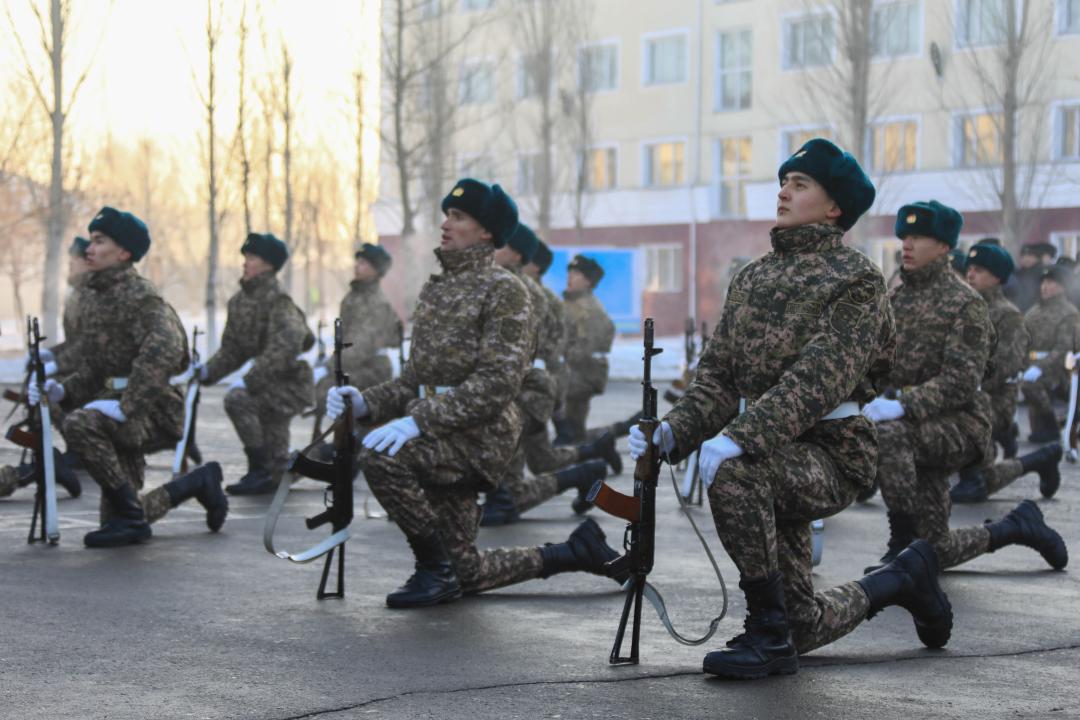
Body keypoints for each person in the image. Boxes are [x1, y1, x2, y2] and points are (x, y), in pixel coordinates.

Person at [631, 138, 949, 680]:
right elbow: (717, 380)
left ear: (833, 207)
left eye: (800, 184)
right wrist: (671, 433)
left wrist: (742, 436)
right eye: (783, 181)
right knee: (804, 620)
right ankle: (901, 578)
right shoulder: (753, 278)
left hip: (830, 450)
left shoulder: (856, 279)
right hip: (773, 450)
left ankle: (767, 634)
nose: (783, 191)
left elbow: (823, 375)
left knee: (734, 473)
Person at [326, 178, 625, 608]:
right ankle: (574, 552)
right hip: (440, 431)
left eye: (459, 216)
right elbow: (414, 379)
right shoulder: (438, 288)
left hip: (478, 436)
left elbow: (497, 383)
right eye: (447, 213)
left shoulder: (506, 290)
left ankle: (433, 568)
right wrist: (366, 400)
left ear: (487, 231)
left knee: (382, 457)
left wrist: (417, 421)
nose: (446, 223)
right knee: (467, 571)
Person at [862, 200, 1067, 578]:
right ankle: (1016, 527)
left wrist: (902, 404)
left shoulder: (965, 304)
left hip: (960, 424)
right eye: (904, 236)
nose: (907, 244)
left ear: (943, 246)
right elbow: (876, 366)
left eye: (919, 236)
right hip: (918, 425)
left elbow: (961, 381)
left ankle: (900, 544)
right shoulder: (894, 300)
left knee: (889, 435)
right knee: (935, 548)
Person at [31, 207, 226, 547]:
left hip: (153, 409)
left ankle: (133, 520)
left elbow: (168, 347)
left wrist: (127, 405)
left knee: (79, 424)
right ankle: (196, 483)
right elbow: (96, 365)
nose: (89, 249)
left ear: (123, 252)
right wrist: (61, 390)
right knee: (116, 517)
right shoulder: (95, 296)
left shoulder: (140, 296)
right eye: (90, 240)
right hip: (119, 407)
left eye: (99, 241)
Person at [480, 224, 613, 526]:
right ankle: (589, 463)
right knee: (541, 460)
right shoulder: (518, 287)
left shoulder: (525, 292)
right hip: (534, 387)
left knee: (511, 491)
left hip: (527, 390)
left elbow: (534, 348)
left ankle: (505, 497)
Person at [197, 233, 316, 495]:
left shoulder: (278, 298)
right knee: (279, 469)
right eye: (246, 257)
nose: (245, 263)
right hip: (267, 383)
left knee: (238, 398)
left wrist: (250, 379)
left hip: (288, 383)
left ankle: (258, 470)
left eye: (252, 258)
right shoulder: (239, 302)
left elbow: (289, 342)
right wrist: (206, 372)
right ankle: (324, 456)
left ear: (269, 265)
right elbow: (232, 350)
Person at [951, 244, 1061, 503]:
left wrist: (961, 384)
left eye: (979, 270)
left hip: (994, 400)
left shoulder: (1007, 315)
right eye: (970, 269)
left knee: (977, 485)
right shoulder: (964, 308)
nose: (970, 274)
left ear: (997, 277)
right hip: (963, 393)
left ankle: (1036, 460)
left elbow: (1005, 366)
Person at [313, 243, 400, 424]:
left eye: (363, 263)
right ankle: (340, 439)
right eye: (357, 262)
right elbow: (345, 339)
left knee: (329, 388)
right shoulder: (353, 297)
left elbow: (361, 346)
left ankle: (348, 440)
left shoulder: (377, 302)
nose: (357, 266)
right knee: (325, 390)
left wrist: (329, 367)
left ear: (376, 270)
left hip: (372, 369)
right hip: (353, 364)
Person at [555, 255, 615, 444]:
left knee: (573, 428)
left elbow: (588, 346)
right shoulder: (569, 304)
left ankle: (593, 455)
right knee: (568, 426)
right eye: (569, 273)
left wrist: (558, 357)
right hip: (571, 373)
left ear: (588, 281)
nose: (569, 277)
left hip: (581, 376)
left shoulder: (589, 309)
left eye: (576, 274)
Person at [1018, 265, 1080, 443]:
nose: (1044, 286)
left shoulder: (1068, 313)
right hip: (1032, 365)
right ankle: (1043, 428)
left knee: (1031, 385)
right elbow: (1023, 340)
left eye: (1051, 282)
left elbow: (1063, 349)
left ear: (1062, 287)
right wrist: (1021, 364)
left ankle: (1052, 427)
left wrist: (1039, 368)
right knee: (1027, 384)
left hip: (1059, 369)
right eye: (1043, 282)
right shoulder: (1034, 311)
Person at [1006, 242, 1057, 313]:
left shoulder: (1042, 272)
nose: (1026, 259)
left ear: (1037, 257)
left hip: (1037, 310)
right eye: (1023, 256)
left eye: (1030, 255)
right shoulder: (1018, 273)